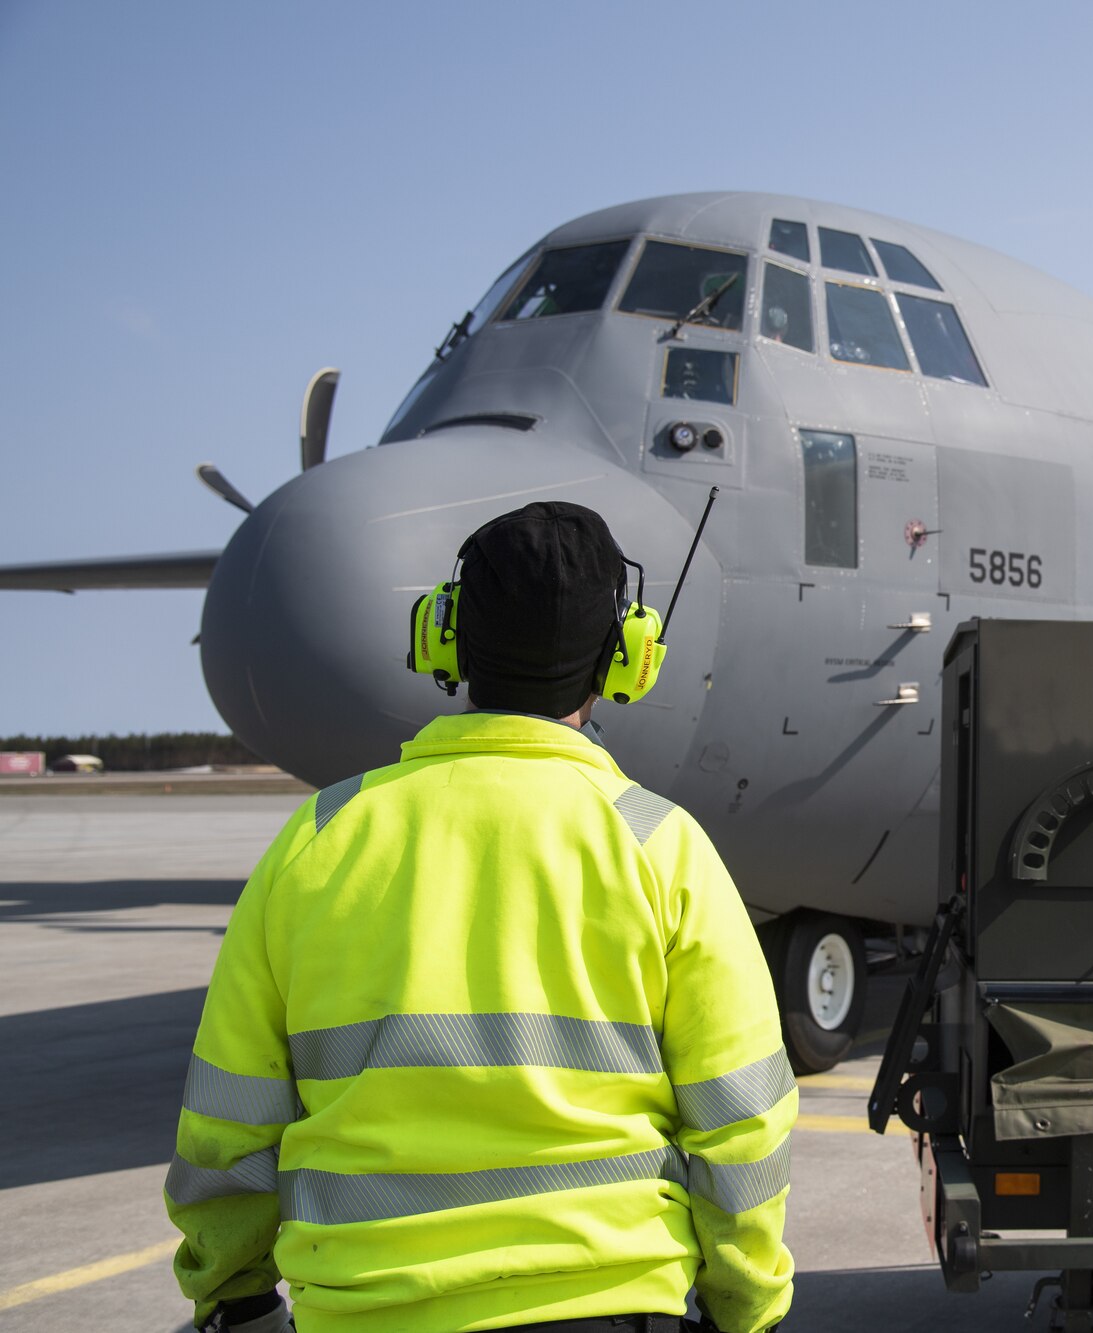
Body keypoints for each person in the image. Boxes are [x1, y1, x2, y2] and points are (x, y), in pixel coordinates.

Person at [165, 501, 794, 1333]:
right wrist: (746, 1306)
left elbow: (228, 1121)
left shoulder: (317, 840)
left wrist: (234, 1295)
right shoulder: (661, 847)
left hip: (365, 1312)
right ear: (626, 659)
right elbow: (740, 1120)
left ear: (444, 638)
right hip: (608, 1306)